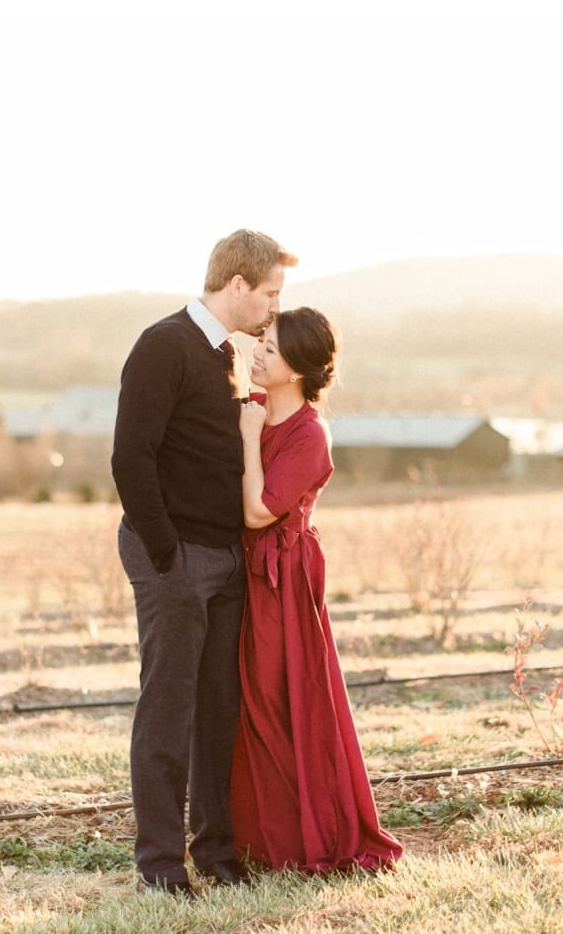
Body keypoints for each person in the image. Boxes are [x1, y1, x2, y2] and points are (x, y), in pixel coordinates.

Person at [111, 229, 299, 897]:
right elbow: (131, 457)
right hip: (176, 557)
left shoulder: (232, 356)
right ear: (238, 285)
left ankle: (216, 852)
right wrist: (166, 553)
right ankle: (160, 865)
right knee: (168, 708)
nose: (277, 307)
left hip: (225, 558)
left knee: (218, 710)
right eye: (271, 293)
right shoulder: (164, 345)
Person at [230, 306, 404, 874]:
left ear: (299, 369)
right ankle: (255, 837)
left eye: (271, 350)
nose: (257, 353)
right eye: (260, 342)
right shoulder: (252, 410)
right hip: (242, 573)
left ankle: (297, 837)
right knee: (246, 707)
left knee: (281, 701)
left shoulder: (309, 434)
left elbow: (258, 513)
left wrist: (250, 438)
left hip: (283, 582)